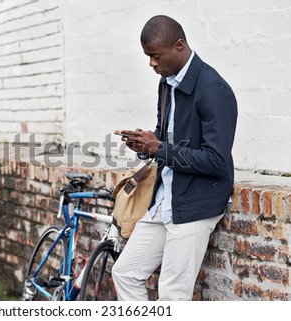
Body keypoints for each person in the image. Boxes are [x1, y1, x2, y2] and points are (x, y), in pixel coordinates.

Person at [111, 15, 237, 300]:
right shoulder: (167, 83)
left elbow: (216, 162)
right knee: (125, 273)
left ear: (179, 45)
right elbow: (165, 137)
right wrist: (144, 143)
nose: (151, 64)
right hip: (165, 196)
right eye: (148, 57)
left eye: (155, 55)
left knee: (172, 294)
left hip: (196, 203)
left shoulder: (214, 90)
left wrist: (158, 148)